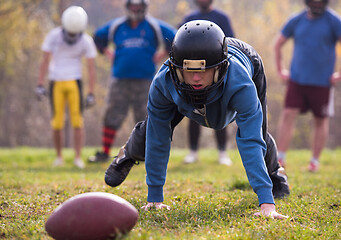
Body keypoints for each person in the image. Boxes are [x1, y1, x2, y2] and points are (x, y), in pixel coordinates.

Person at [104, 20, 290, 218]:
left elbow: (250, 140)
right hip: (186, 88)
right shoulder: (163, 82)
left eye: (202, 71)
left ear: (219, 68)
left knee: (257, 131)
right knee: (152, 129)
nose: (195, 79)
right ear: (176, 67)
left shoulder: (241, 84)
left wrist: (266, 204)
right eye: (189, 71)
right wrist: (154, 198)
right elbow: (158, 136)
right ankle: (128, 153)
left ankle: (274, 174)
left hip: (246, 59)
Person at [88, 0, 176, 163]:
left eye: (139, 6)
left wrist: (163, 54)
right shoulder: (117, 26)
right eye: (133, 6)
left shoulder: (154, 26)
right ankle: (105, 152)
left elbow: (175, 38)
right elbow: (97, 36)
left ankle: (146, 154)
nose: (136, 9)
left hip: (146, 81)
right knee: (112, 115)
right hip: (119, 80)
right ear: (128, 7)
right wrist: (107, 51)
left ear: (144, 7)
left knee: (146, 117)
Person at [274, 0, 341, 172]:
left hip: (322, 82)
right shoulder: (296, 20)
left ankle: (314, 162)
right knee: (288, 114)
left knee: (320, 120)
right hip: (297, 80)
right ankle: (280, 158)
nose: (317, 3)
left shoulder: (333, 21)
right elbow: (278, 43)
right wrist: (281, 70)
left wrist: (339, 74)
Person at [36, 6, 97, 168]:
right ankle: (59, 157)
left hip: (74, 82)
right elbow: (44, 61)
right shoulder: (54, 36)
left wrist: (91, 92)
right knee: (57, 122)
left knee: (77, 121)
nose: (71, 37)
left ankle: (77, 157)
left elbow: (91, 68)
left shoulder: (86, 41)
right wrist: (40, 84)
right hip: (56, 82)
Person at [180, 0, 235, 165]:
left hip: (215, 71)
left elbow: (230, 41)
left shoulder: (221, 17)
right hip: (193, 70)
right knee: (194, 110)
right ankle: (193, 151)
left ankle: (222, 152)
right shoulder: (189, 17)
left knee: (220, 110)